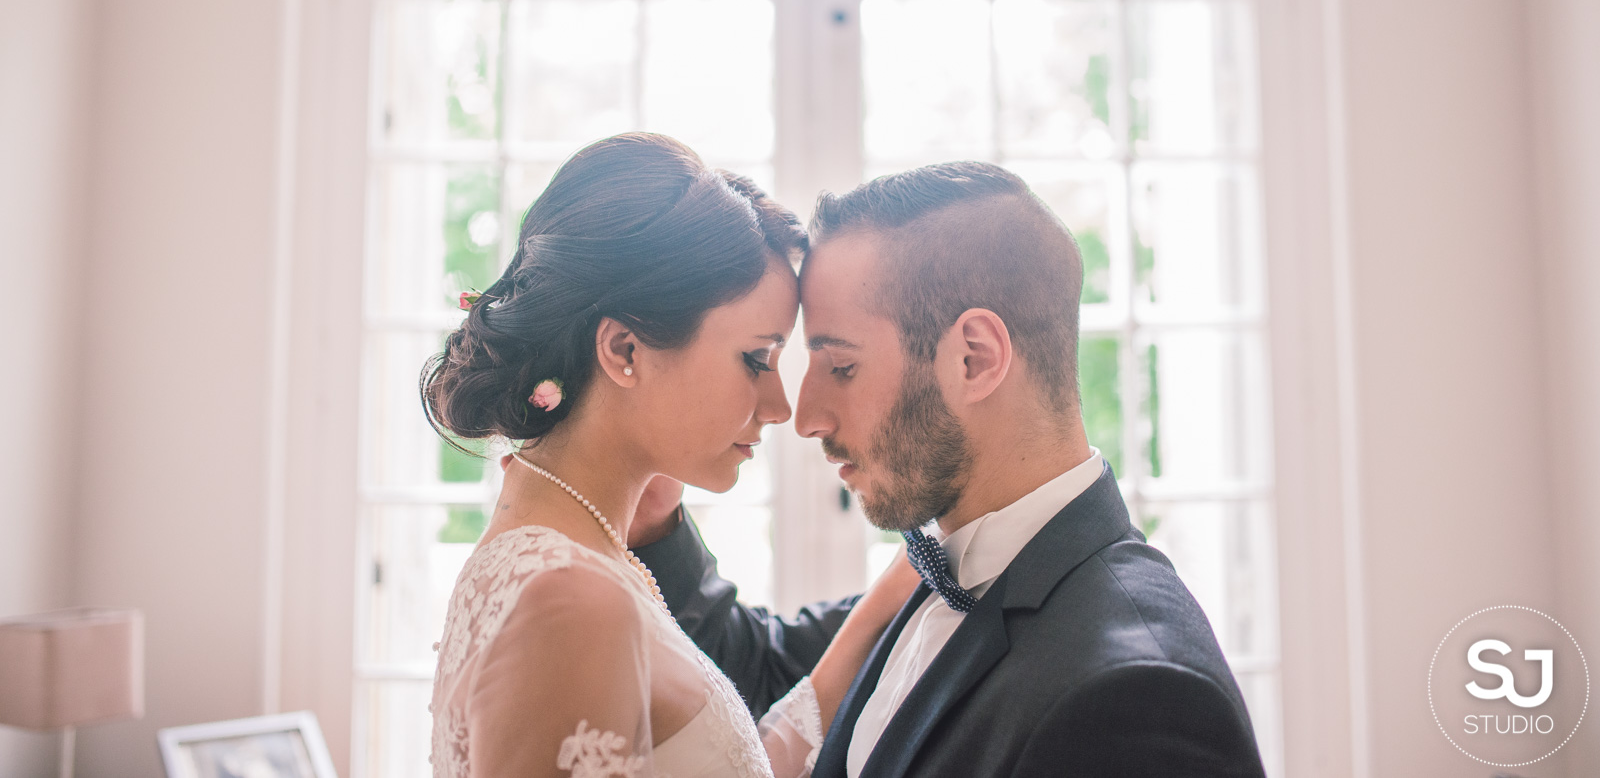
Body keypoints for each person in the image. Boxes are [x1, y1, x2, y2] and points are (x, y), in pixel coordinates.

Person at [634, 162, 1267, 778]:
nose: (807, 418)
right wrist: (654, 503)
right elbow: (766, 685)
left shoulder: (1141, 700)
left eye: (842, 367)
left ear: (974, 359)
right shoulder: (939, 567)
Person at [424, 133, 920, 778]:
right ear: (625, 351)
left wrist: (886, 603)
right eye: (755, 359)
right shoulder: (571, 600)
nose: (780, 407)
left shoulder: (570, 554)